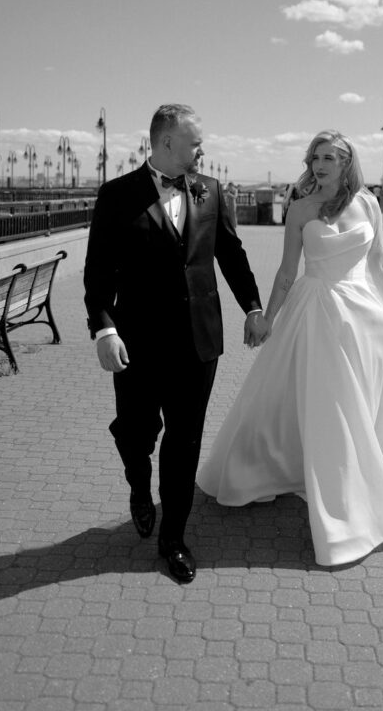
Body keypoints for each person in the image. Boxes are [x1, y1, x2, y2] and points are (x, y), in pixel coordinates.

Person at [197, 130, 383, 567]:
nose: (321, 164)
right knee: (332, 409)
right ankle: (343, 507)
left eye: (330, 157)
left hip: (363, 317)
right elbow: (288, 272)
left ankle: (373, 474)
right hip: (317, 314)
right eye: (316, 157)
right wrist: (266, 317)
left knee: (364, 400)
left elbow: (381, 267)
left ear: (347, 162)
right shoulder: (300, 208)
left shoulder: (367, 203)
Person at [84, 103, 268, 584]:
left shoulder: (211, 191)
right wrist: (105, 329)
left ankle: (174, 539)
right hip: (138, 342)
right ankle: (138, 486)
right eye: (195, 141)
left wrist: (252, 305)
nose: (202, 149)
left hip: (198, 341)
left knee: (184, 440)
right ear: (166, 142)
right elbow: (98, 271)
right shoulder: (116, 195)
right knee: (135, 431)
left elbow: (230, 251)